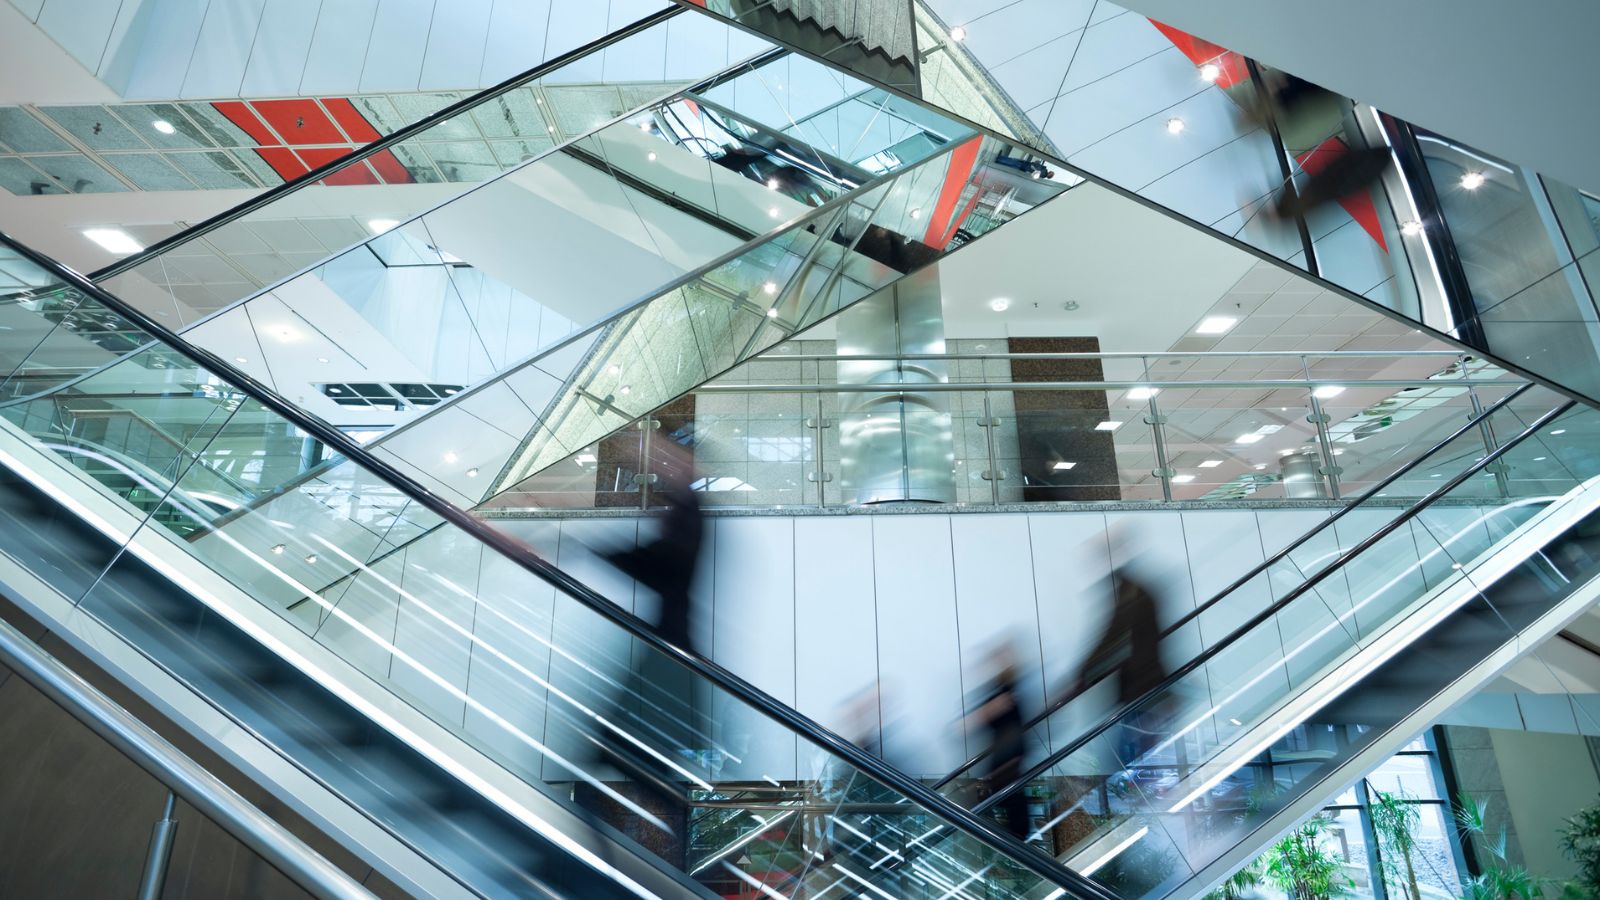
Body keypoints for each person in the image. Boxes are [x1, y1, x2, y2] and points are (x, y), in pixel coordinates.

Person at [602, 443, 705, 653]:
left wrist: (599, 552)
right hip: (672, 632)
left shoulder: (688, 511)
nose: (668, 467)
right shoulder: (685, 507)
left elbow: (662, 564)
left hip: (673, 634)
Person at [1075, 563, 1167, 765]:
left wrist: (1082, 674)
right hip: (1141, 687)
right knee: (1131, 753)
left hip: (1141, 686)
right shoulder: (1136, 591)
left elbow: (1111, 636)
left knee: (1128, 756)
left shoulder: (1132, 594)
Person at [973, 655, 1031, 839]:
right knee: (1009, 801)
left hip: (1006, 762)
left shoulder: (1007, 695)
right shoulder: (1005, 694)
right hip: (1007, 762)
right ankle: (1016, 840)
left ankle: (1016, 840)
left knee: (1009, 801)